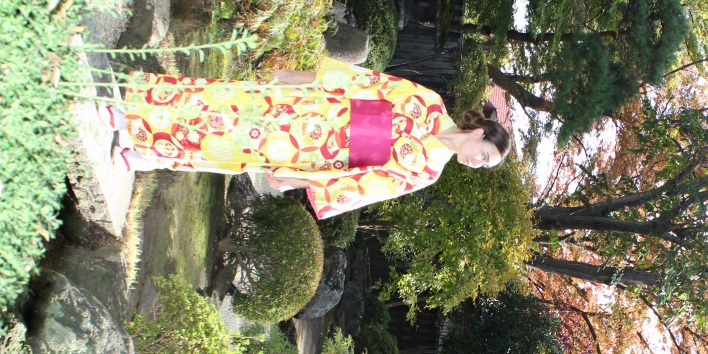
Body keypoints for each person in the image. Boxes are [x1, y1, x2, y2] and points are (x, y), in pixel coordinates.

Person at [98, 57, 510, 219]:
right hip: (309, 109)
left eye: (483, 165)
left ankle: (149, 152)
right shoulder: (428, 102)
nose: (477, 164)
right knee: (225, 104)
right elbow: (368, 82)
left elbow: (365, 186)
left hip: (309, 153)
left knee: (232, 149)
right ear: (478, 133)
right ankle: (132, 111)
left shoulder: (427, 171)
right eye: (484, 156)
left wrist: (297, 180)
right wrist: (303, 77)